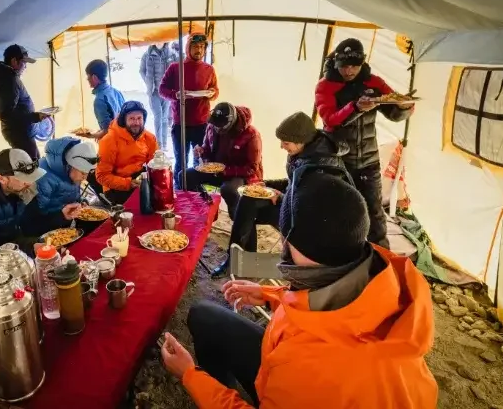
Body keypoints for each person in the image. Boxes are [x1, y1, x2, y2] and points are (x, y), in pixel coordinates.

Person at [160, 173, 438, 408]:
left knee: (205, 327)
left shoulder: (308, 368)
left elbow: (321, 350)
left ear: (295, 244)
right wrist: (271, 297)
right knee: (205, 316)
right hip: (308, 370)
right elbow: (340, 316)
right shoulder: (381, 274)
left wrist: (190, 375)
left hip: (304, 379)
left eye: (284, 236)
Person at [211, 111, 350, 277]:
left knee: (247, 211)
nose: (282, 146)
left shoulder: (323, 166)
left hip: (307, 223)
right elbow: (293, 182)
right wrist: (268, 185)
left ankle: (242, 262)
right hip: (294, 206)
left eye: (285, 142)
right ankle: (238, 259)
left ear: (301, 141)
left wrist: (282, 197)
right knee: (248, 199)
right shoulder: (304, 151)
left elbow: (316, 206)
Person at [315, 38, 414, 248]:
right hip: (338, 160)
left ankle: (380, 258)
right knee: (340, 210)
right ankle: (340, 256)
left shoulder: (374, 82)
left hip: (369, 160)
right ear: (336, 63)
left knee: (375, 213)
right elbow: (330, 120)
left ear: (362, 62)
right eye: (344, 66)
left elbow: (393, 110)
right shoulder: (325, 86)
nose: (349, 70)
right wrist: (356, 107)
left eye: (354, 65)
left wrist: (404, 106)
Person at [0, 148, 80, 267]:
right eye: (23, 179)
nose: (29, 183)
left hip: (9, 240)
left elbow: (32, 221)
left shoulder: (21, 187)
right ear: (2, 179)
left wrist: (61, 215)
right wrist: (30, 249)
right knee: (27, 272)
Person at [159, 33, 219, 188]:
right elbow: (162, 89)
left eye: (201, 47)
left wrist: (212, 94)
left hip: (202, 123)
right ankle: (180, 190)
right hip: (181, 123)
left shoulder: (209, 69)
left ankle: (196, 191)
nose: (198, 50)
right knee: (181, 160)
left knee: (200, 159)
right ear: (188, 48)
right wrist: (176, 95)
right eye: (195, 47)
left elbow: (215, 90)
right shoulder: (175, 68)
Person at [183, 102, 262, 218]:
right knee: (185, 175)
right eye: (215, 125)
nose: (216, 128)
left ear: (230, 123)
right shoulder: (212, 126)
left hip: (239, 174)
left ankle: (237, 218)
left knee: (228, 190)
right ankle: (205, 208)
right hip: (215, 170)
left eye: (219, 126)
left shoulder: (251, 134)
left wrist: (226, 171)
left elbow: (252, 168)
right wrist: (201, 152)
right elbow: (207, 149)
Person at [0, 44, 44, 160]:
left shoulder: (4, 76)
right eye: (24, 62)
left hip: (17, 130)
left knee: (33, 159)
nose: (25, 66)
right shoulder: (9, 79)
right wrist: (35, 117)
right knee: (32, 163)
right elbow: (6, 114)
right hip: (18, 132)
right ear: (14, 61)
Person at [95, 100, 158, 205]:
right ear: (123, 120)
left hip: (138, 178)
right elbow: (102, 176)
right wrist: (129, 183)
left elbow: (155, 164)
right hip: (115, 186)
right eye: (132, 119)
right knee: (136, 208)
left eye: (139, 118)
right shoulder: (109, 140)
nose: (136, 123)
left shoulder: (149, 138)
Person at [33, 137, 98, 232]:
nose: (85, 178)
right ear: (70, 166)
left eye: (87, 173)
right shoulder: (44, 178)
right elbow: (36, 218)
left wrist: (81, 202)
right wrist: (62, 214)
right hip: (45, 232)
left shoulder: (72, 173)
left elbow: (70, 195)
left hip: (63, 223)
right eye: (83, 173)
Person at [140, 42, 180, 148]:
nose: (159, 42)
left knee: (165, 118)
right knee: (158, 116)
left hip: (166, 91)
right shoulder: (147, 55)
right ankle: (159, 144)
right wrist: (148, 82)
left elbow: (179, 65)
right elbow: (142, 70)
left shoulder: (171, 54)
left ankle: (164, 144)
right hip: (153, 92)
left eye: (161, 40)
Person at [83, 59, 125, 140]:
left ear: (94, 77)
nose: (87, 79)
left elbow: (108, 131)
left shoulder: (99, 100)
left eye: (88, 76)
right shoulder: (116, 91)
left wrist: (91, 135)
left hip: (114, 142)